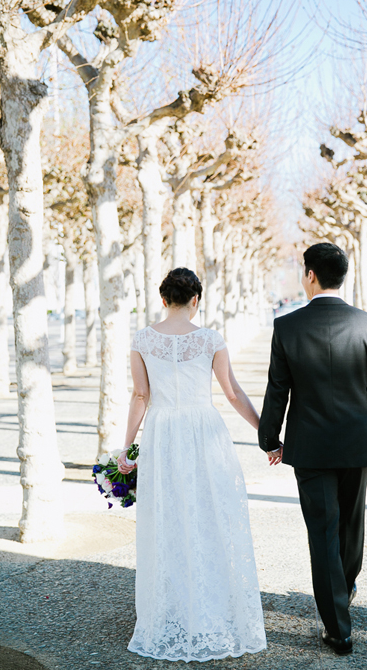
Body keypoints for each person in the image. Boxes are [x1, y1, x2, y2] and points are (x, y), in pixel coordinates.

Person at [118, 268, 267, 662]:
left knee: (167, 519)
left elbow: (140, 395)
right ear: (196, 300)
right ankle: (213, 607)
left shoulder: (143, 339)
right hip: (204, 432)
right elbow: (232, 393)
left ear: (163, 299)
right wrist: (266, 433)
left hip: (163, 434)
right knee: (212, 515)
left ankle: (172, 610)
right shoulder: (211, 339)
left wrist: (126, 447)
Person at [259, 242, 367, 656]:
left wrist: (269, 439)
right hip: (358, 443)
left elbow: (277, 390)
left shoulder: (287, 327)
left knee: (323, 531)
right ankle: (344, 588)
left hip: (311, 447)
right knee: (352, 525)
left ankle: (338, 629)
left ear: (310, 275)